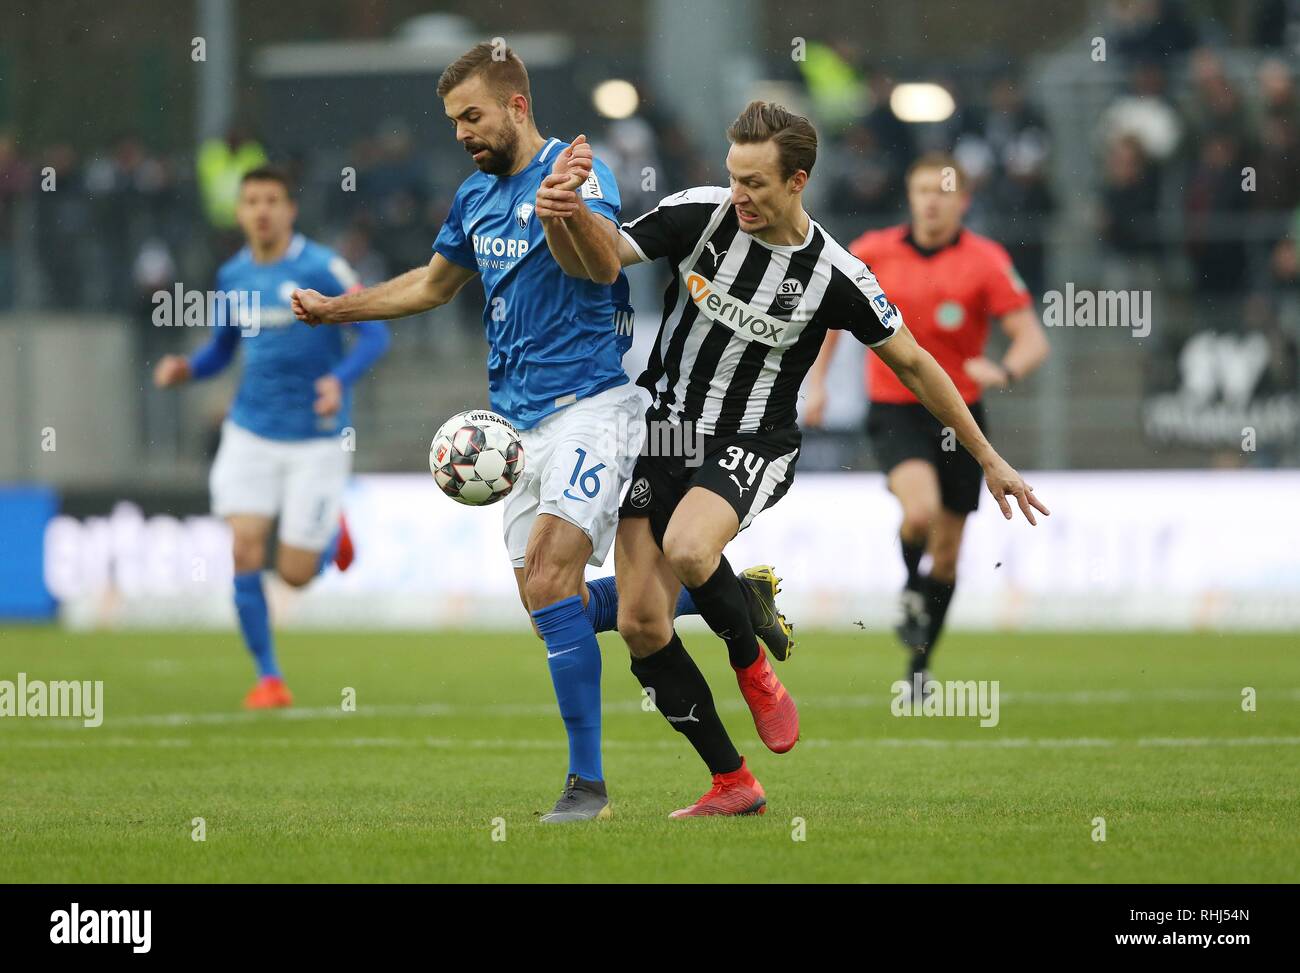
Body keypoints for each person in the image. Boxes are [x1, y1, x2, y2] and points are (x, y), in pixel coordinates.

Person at [290, 42, 791, 823]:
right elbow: (430, 284)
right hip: (517, 428)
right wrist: (335, 307)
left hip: (596, 406)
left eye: (472, 116)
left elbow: (599, 267)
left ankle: (585, 786)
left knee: (553, 574)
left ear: (516, 106)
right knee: (548, 601)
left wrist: (562, 205)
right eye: (454, 120)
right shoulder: (473, 198)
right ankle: (720, 597)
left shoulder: (578, 170)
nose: (462, 132)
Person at [537, 101, 1048, 816]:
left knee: (689, 546)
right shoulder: (699, 215)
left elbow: (917, 365)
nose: (738, 195)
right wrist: (564, 214)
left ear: (797, 181)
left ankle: (752, 666)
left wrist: (989, 457)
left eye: (755, 184)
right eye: (733, 176)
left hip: (754, 441)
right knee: (640, 624)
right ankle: (731, 780)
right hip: (665, 431)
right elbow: (602, 261)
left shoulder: (836, 274)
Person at [805, 154, 1049, 691]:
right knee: (920, 513)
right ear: (911, 198)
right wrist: (818, 382)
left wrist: (1004, 367)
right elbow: (830, 320)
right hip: (894, 408)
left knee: (949, 551)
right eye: (921, 191)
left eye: (943, 192)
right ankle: (911, 586)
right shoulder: (873, 250)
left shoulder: (986, 261)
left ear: (963, 202)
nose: (931, 201)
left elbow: (1033, 338)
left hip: (961, 416)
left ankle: (919, 665)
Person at [154, 165, 391, 708]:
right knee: (243, 547)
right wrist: (186, 370)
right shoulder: (233, 275)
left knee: (295, 574)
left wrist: (339, 379)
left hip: (316, 436)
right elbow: (222, 350)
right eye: (251, 201)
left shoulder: (322, 267)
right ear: (239, 212)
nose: (261, 210)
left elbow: (376, 333)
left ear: (290, 210)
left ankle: (332, 531)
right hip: (251, 432)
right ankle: (269, 679)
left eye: (272, 200)